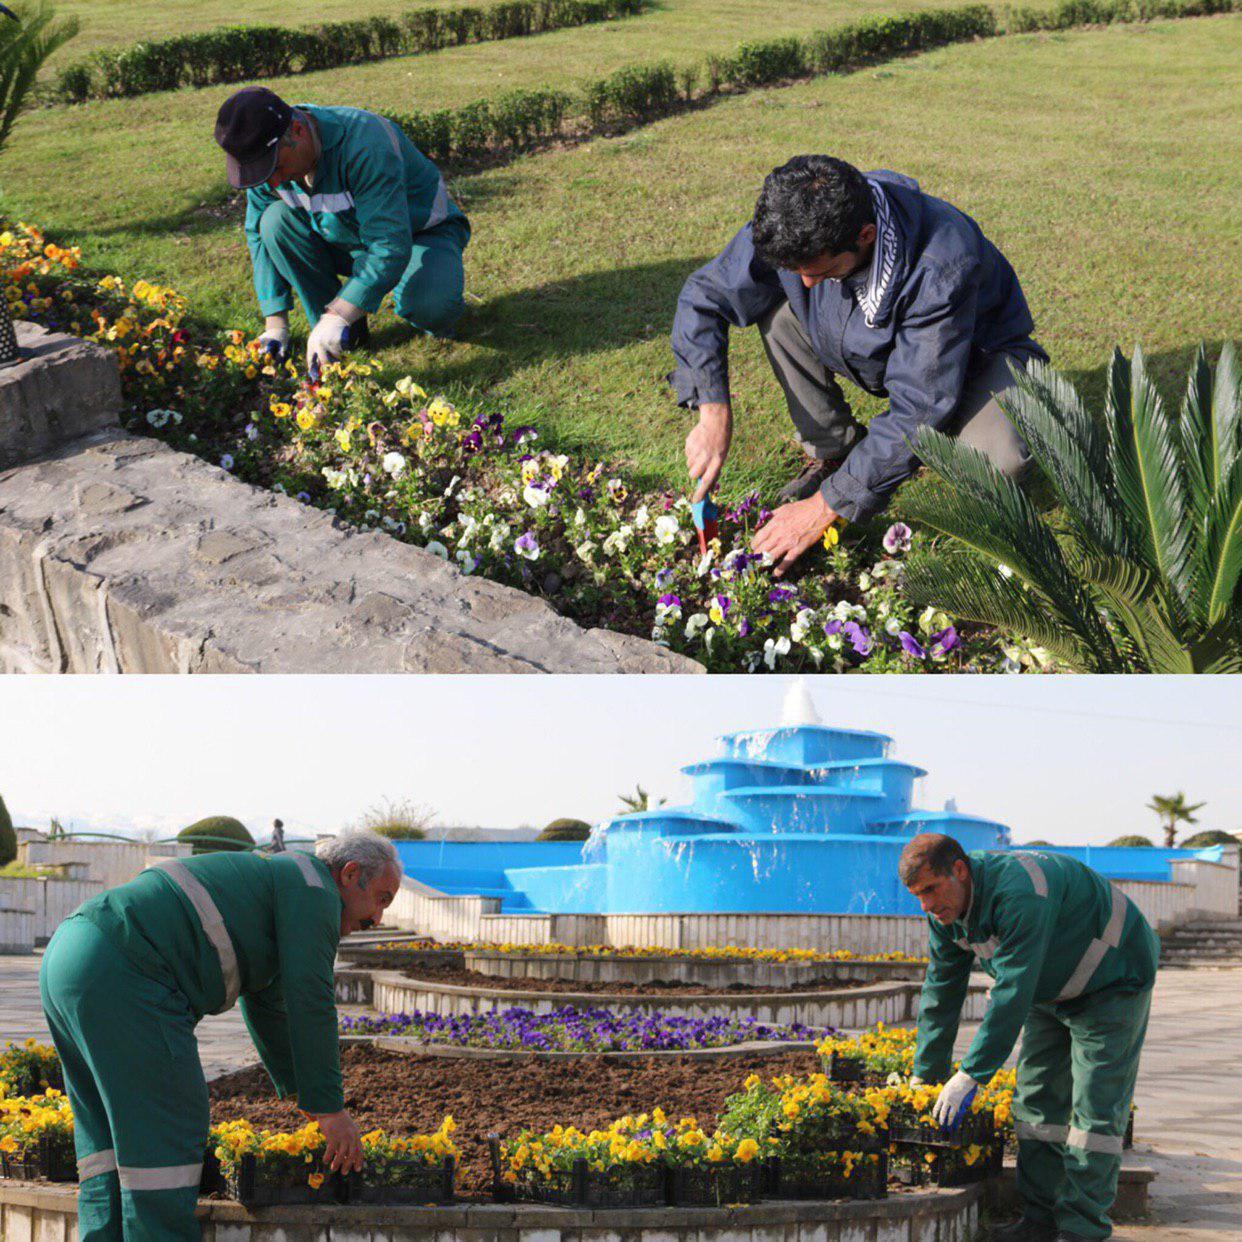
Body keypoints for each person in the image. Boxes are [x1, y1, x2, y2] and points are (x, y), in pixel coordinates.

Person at [671, 155, 1046, 573]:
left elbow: (920, 406)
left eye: (822, 271)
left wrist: (823, 508)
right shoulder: (796, 217)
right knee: (778, 315)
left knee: (997, 459)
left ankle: (867, 474)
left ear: (865, 236)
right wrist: (713, 411)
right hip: (878, 346)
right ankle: (836, 451)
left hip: (978, 358)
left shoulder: (942, 264)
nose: (805, 283)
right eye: (796, 270)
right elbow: (706, 294)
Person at [39, 829, 403, 1240]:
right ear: (351, 874)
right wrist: (332, 1110)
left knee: (105, 1141)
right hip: (128, 973)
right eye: (382, 899)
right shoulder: (314, 889)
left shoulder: (281, 880)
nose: (378, 920)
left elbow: (269, 1004)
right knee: (167, 1134)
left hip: (71, 956)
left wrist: (306, 1097)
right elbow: (310, 998)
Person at [900, 833, 1159, 1242]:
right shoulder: (944, 916)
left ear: (960, 870)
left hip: (1113, 980)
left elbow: (1012, 990)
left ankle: (1082, 1228)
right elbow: (941, 993)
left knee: (1095, 1111)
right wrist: (925, 1076)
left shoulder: (1021, 891)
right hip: (1050, 988)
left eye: (930, 889)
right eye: (917, 895)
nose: (926, 905)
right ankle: (1041, 1219)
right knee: (1037, 1100)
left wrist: (971, 1074)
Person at [214, 86, 470, 376]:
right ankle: (345, 333)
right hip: (347, 238)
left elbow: (389, 245)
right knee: (274, 222)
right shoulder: (266, 153)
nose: (272, 182)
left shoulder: (366, 144)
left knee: (431, 307)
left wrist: (340, 314)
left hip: (419, 234)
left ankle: (343, 317)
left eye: (275, 167)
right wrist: (275, 325)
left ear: (297, 131)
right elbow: (258, 235)